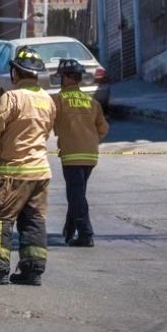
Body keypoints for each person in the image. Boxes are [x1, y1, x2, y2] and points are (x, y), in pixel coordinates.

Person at [0, 46, 57, 286]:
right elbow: (46, 132)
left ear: (15, 74)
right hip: (40, 172)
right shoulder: (47, 100)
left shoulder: (12, 98)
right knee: (34, 220)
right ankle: (32, 270)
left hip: (13, 172)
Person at [52, 58, 108, 248]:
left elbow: (45, 123)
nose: (60, 80)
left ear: (68, 78)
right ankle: (70, 229)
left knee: (75, 195)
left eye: (61, 77)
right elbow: (103, 128)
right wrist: (91, 141)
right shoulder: (91, 101)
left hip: (71, 156)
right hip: (91, 155)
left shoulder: (59, 100)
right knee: (77, 193)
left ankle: (85, 234)